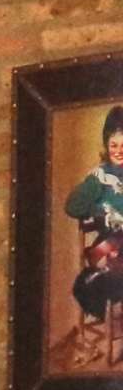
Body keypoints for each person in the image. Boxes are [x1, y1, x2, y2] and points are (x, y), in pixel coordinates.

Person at [70, 108, 123, 338]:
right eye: (114, 145)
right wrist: (101, 212)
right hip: (112, 242)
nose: (119, 151)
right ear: (106, 146)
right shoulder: (99, 177)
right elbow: (73, 207)